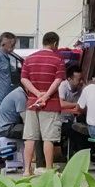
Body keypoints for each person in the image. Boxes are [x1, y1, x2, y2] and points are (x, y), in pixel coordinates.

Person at [21, 30, 65, 175]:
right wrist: (46, 96)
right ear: (55, 43)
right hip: (50, 105)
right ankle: (49, 169)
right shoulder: (58, 60)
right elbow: (58, 80)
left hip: (32, 103)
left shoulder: (29, 59)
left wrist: (36, 93)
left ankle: (27, 170)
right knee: (48, 138)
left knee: (30, 137)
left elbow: (24, 79)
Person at [0, 82, 27, 172]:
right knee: (31, 131)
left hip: (2, 127)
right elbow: (25, 119)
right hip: (7, 128)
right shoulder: (20, 96)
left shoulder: (16, 92)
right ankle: (30, 162)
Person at [59, 65, 85, 156]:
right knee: (74, 130)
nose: (81, 82)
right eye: (79, 79)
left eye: (82, 78)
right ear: (69, 79)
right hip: (61, 120)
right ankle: (80, 155)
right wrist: (76, 105)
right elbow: (61, 104)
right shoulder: (63, 86)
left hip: (74, 118)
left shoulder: (82, 87)